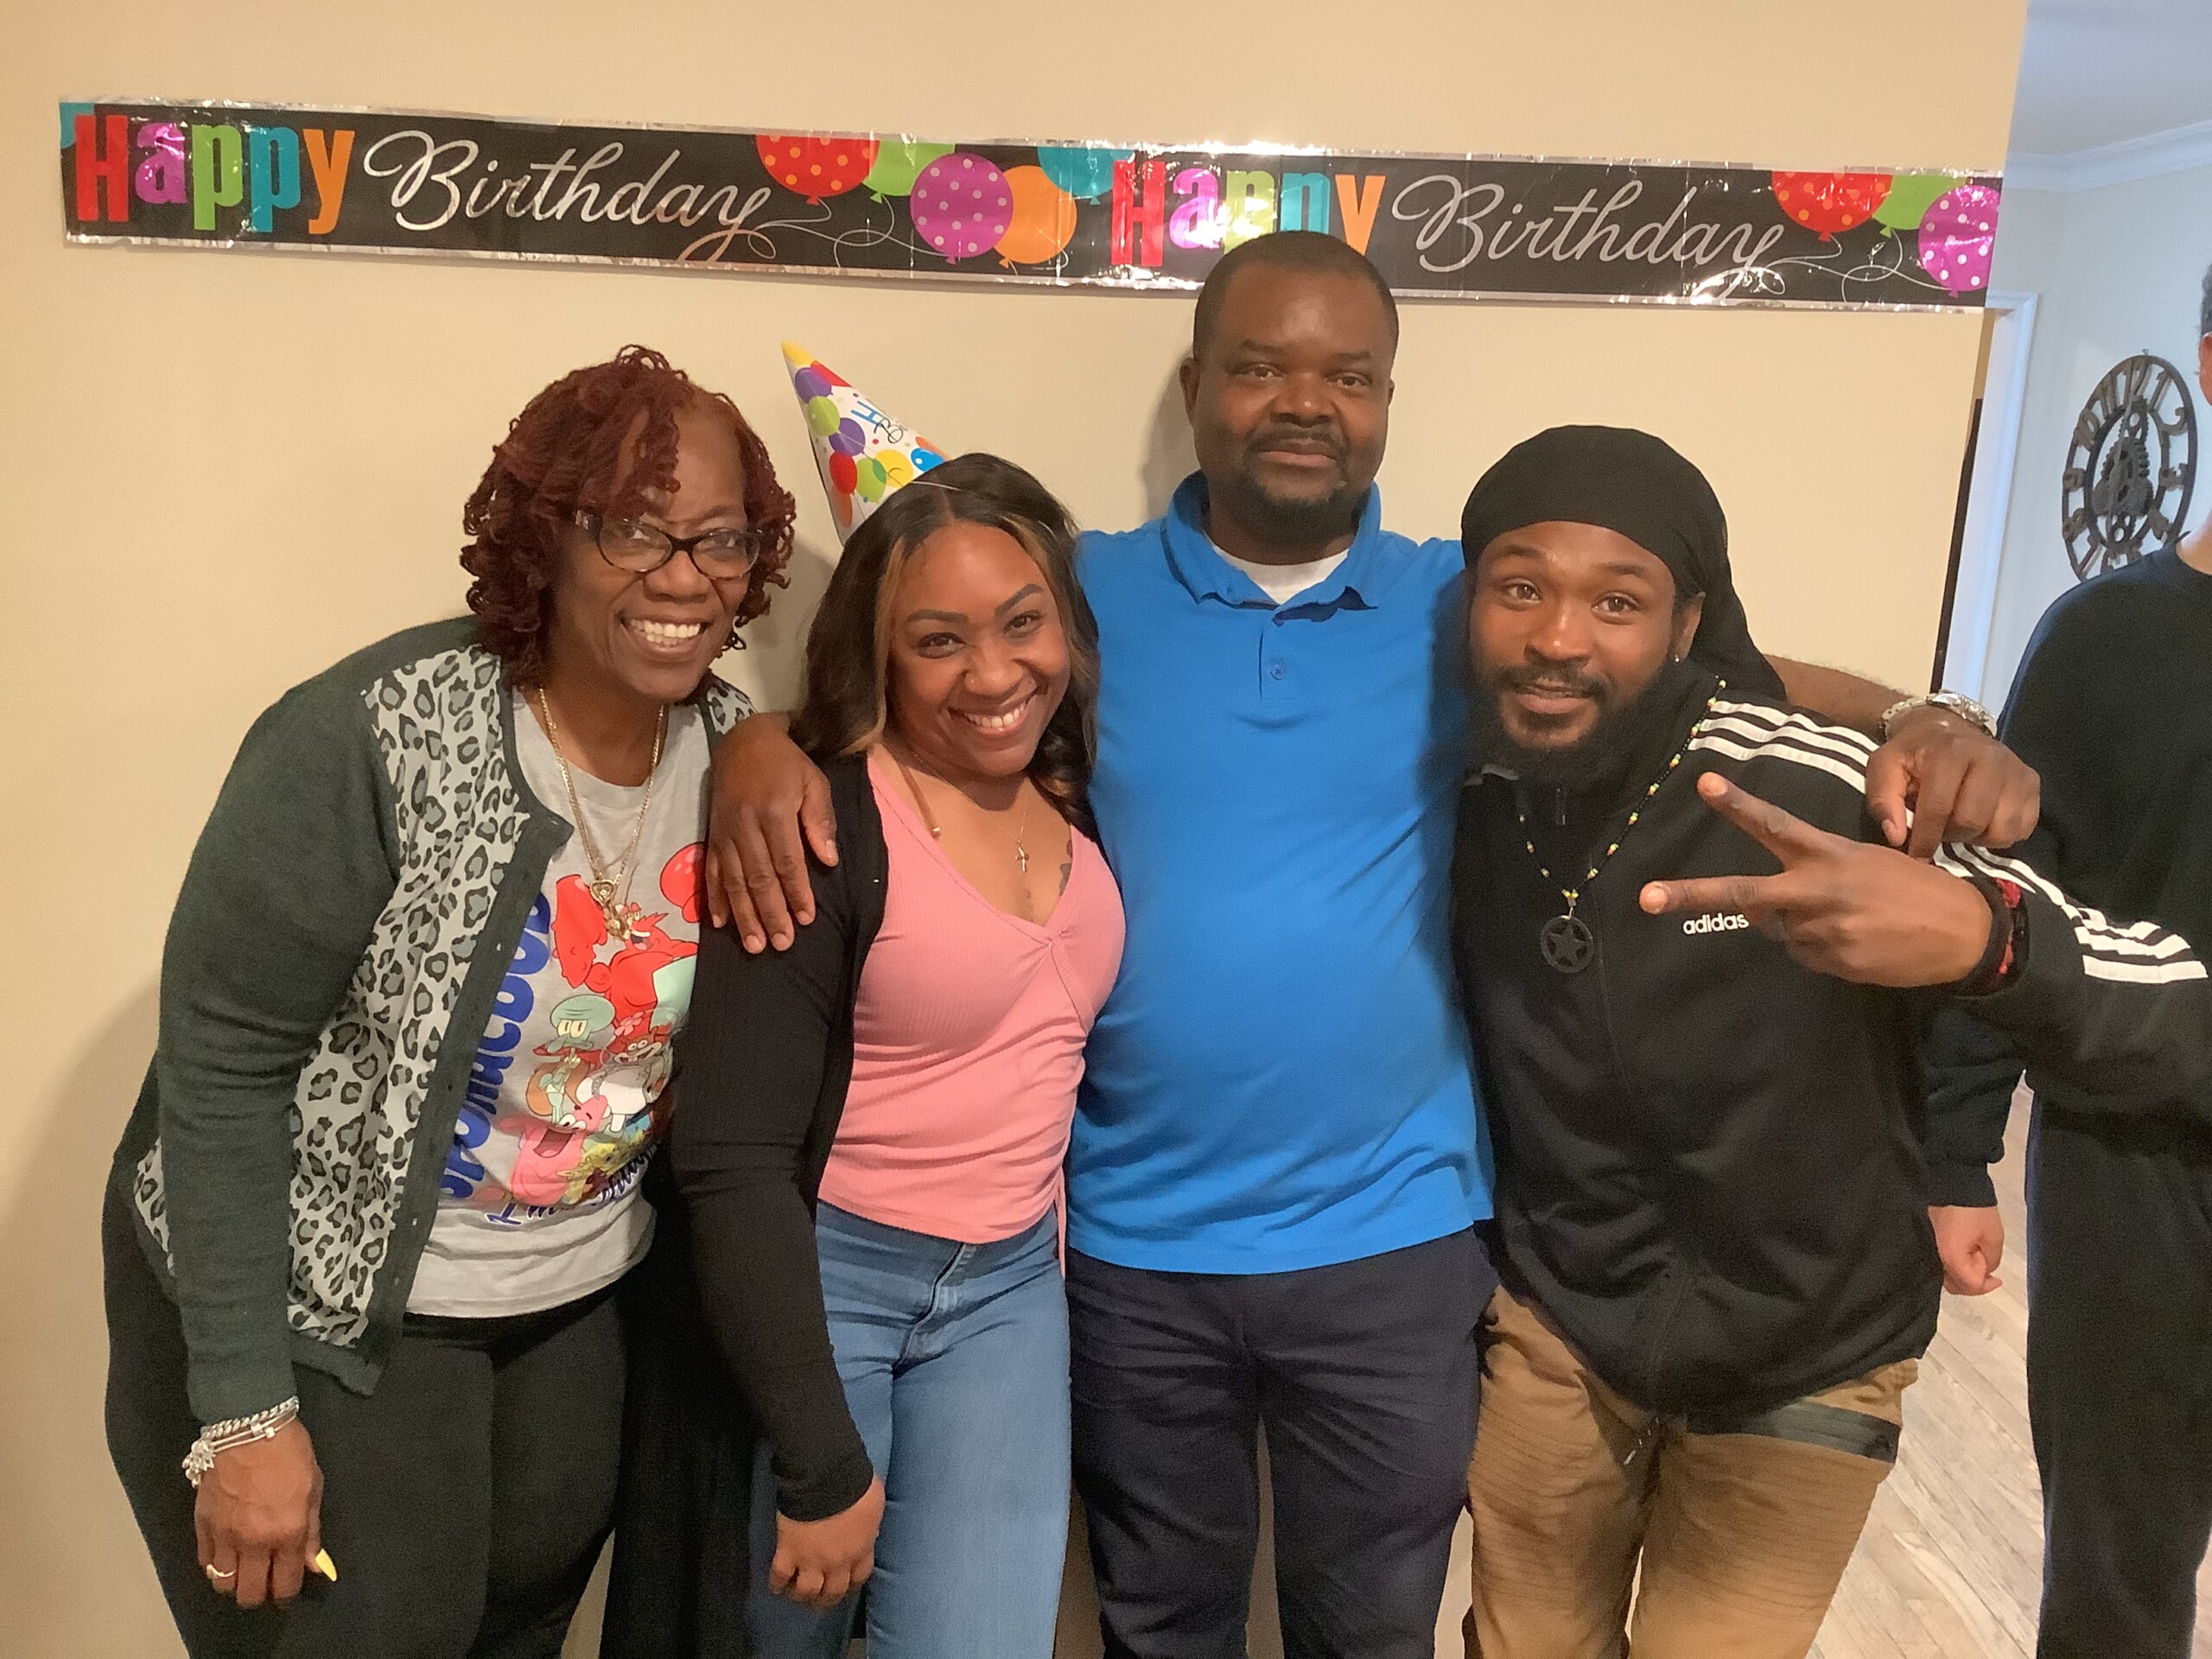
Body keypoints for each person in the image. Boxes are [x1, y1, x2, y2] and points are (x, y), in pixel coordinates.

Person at [700, 232, 2039, 1655]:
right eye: (1260, 366)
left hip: (1398, 1245)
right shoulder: (1081, 598)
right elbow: (924, 675)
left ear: (1388, 399)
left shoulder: (1474, 605)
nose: (1305, 401)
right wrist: (762, 742)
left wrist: (1930, 715)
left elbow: (1719, 679)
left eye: (1349, 375)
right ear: (1196, 388)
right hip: (1129, 1244)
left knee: (1373, 1631)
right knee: (1162, 1625)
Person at [1448, 424, 2211, 1659]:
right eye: (1520, 588)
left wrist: (1982, 936)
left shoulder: (1828, 793)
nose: (1559, 636)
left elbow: (2159, 998)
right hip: (1562, 1323)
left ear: (1690, 624)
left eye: (1619, 600)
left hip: (1810, 1346)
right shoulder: (1458, 780)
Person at [102, 346, 795, 1658]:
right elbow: (224, 1068)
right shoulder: (372, 734)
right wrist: (244, 1411)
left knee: (520, 1623)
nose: (684, 575)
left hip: (572, 1304)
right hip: (323, 1311)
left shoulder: (730, 751)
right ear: (547, 534)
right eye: (635, 528)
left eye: (721, 538)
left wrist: (769, 735)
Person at [668, 453, 1123, 1659]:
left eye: (1022, 623)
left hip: (1010, 1294)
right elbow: (729, 1154)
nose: (994, 674)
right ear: (878, 654)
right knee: (779, 1642)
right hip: (827, 1288)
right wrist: (819, 1459)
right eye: (938, 641)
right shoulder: (818, 827)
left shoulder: (1073, 787)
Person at [1921, 267, 2212, 1658]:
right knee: (2118, 1564)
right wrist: (1954, 1152)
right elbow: (2010, 901)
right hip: (2130, 1159)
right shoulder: (2105, 637)